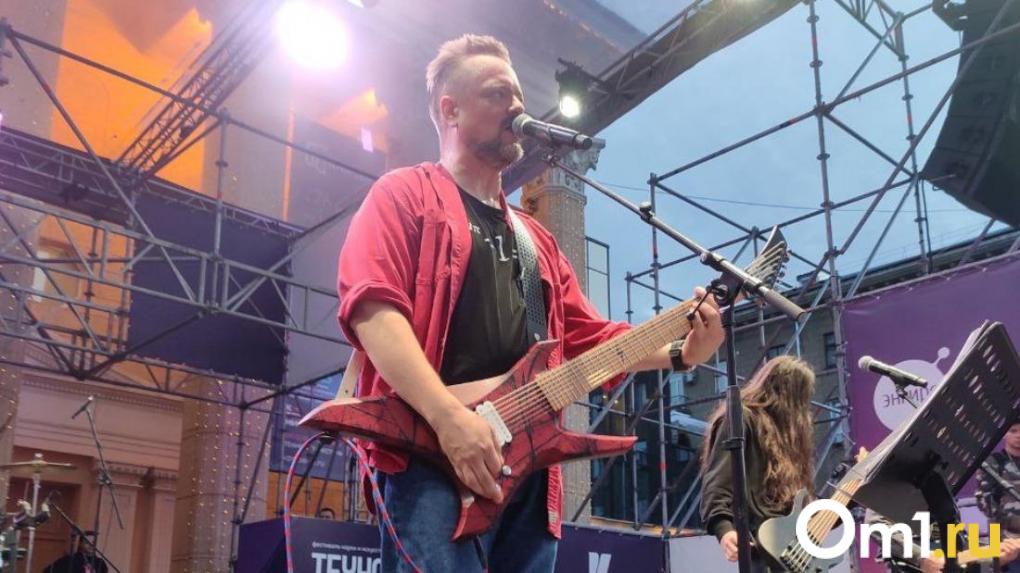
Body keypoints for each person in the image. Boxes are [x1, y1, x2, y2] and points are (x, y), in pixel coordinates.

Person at [337, 33, 725, 572]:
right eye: (497, 94)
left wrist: (682, 351)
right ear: (450, 110)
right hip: (430, 457)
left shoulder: (535, 240)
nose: (516, 106)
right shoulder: (403, 194)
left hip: (529, 469)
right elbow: (374, 310)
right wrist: (449, 420)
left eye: (518, 94)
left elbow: (591, 341)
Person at [699, 356, 816, 570]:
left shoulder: (789, 442)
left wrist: (850, 498)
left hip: (789, 551)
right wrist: (724, 529)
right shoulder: (742, 418)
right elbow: (717, 480)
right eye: (800, 398)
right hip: (761, 545)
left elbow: (803, 513)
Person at [42, 530, 108, 573]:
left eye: (93, 542)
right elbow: (48, 571)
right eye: (87, 543)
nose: (91, 545)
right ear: (80, 543)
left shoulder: (100, 563)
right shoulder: (70, 560)